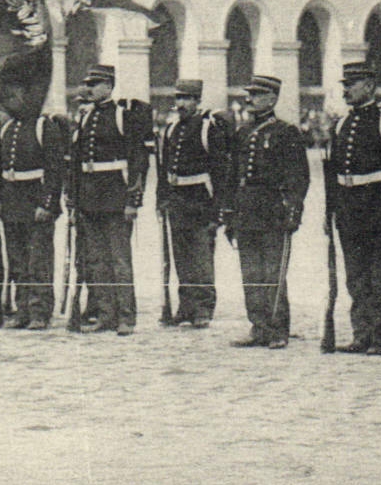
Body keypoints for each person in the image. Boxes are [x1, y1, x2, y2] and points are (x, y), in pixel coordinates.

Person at [323, 63, 381, 353]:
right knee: (355, 276)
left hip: (375, 207)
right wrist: (331, 211)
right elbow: (333, 173)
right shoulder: (342, 124)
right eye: (345, 84)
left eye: (353, 83)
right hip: (349, 209)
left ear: (370, 87)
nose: (346, 90)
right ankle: (361, 333)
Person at [222, 75, 309, 349]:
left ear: (272, 99)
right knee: (250, 273)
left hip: (272, 211)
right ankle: (258, 326)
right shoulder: (243, 133)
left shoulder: (286, 133)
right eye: (250, 94)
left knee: (273, 273)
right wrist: (229, 212)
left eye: (257, 95)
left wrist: (292, 210)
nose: (250, 99)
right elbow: (232, 175)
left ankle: (277, 329)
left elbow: (299, 177)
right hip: (247, 211)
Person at [64, 64, 152, 335]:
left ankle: (126, 317)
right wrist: (74, 201)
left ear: (110, 86)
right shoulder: (85, 117)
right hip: (89, 199)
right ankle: (106, 315)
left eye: (96, 83)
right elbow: (76, 162)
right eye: (89, 84)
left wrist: (132, 200)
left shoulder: (122, 116)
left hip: (114, 197)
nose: (90, 88)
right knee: (97, 262)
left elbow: (138, 160)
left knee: (119, 262)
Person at [0, 55, 68, 330]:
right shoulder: (7, 129)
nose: (11, 101)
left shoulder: (43, 126)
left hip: (35, 201)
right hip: (12, 202)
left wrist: (47, 203)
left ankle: (39, 311)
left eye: (16, 95)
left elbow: (54, 169)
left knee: (38, 260)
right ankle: (22, 308)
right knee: (17, 261)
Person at [156, 78, 230, 328]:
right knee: (181, 257)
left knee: (201, 257)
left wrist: (218, 208)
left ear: (197, 101)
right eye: (178, 98)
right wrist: (162, 198)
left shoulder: (208, 128)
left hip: (200, 199)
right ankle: (185, 306)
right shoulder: (172, 129)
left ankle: (203, 308)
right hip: (177, 200)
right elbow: (164, 167)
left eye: (186, 99)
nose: (181, 104)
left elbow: (220, 171)